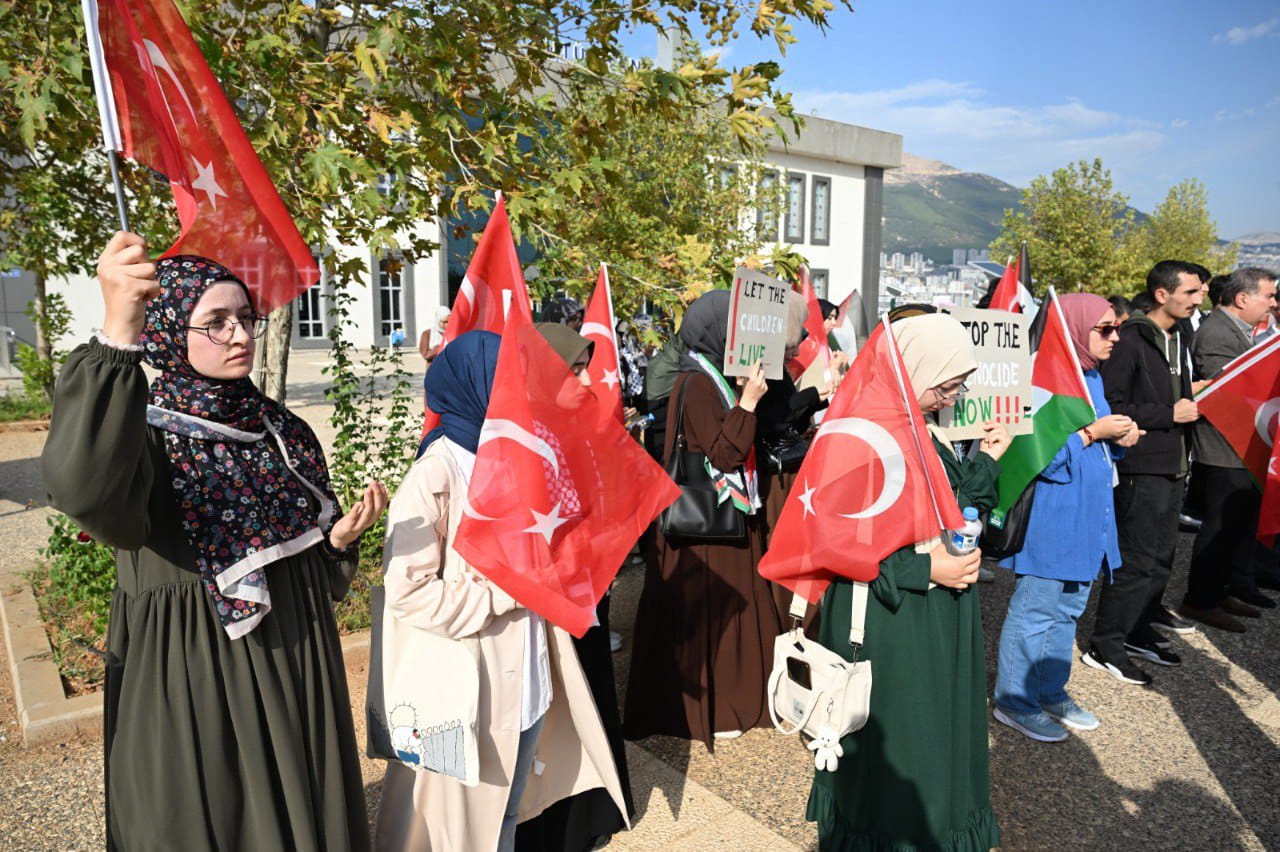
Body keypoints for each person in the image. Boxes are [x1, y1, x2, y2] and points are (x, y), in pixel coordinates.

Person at [43, 233, 383, 850]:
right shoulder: (140, 434)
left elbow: (309, 569)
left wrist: (334, 542)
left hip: (296, 661)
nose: (239, 336)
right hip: (198, 677)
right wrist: (118, 331)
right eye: (215, 322)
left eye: (245, 319)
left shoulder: (282, 430)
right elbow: (83, 490)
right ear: (169, 329)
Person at [376, 330, 627, 851]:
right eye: (505, 379)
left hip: (530, 675)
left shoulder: (519, 452)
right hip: (473, 688)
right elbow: (409, 592)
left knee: (509, 811)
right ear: (475, 383)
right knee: (465, 823)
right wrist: (502, 593)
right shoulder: (435, 474)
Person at [806, 313, 1010, 851]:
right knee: (905, 745)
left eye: (957, 385)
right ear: (911, 367)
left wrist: (988, 461)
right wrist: (925, 570)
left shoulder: (923, 428)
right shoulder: (862, 436)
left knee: (935, 738)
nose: (950, 396)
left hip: (931, 613)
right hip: (891, 622)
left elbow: (958, 508)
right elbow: (835, 542)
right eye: (943, 383)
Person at [624, 289, 784, 749]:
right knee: (714, 608)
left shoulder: (705, 374)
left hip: (716, 519)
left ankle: (730, 700)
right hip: (706, 523)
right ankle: (717, 707)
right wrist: (748, 403)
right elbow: (724, 452)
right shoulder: (696, 382)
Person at [993, 295, 1141, 742]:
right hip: (1054, 518)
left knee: (1069, 609)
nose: (1115, 337)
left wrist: (1118, 437)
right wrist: (1097, 432)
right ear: (1077, 329)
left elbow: (1089, 439)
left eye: (1115, 328)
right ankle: (1014, 701)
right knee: (1036, 610)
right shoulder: (1045, 378)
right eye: (1105, 329)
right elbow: (1039, 457)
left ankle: (1050, 690)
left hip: (1087, 515)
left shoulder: (1089, 374)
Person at [516, 323, 634, 851]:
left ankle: (597, 807)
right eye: (575, 367)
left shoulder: (572, 424)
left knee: (593, 692)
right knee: (565, 710)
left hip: (589, 583)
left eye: (588, 365)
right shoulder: (522, 437)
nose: (588, 378)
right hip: (556, 595)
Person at [1084, 260, 1204, 685]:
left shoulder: (1179, 337)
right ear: (1162, 294)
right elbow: (1111, 406)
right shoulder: (1132, 340)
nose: (1199, 298)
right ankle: (1107, 644)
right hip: (1141, 468)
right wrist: (1167, 414)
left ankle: (1136, 629)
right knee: (1135, 560)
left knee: (1160, 557)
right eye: (1190, 292)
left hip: (1174, 466)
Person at [1180, 268, 1280, 631]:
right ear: (1243, 299)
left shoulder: (1235, 331)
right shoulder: (1217, 334)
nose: (1273, 303)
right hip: (1223, 448)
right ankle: (1200, 600)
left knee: (1235, 527)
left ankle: (1220, 590)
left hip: (1240, 446)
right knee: (1219, 528)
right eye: (1268, 296)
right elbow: (1228, 394)